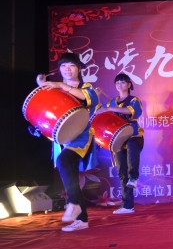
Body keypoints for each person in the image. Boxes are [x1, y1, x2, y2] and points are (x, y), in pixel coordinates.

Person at [36, 52, 99, 232]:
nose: (67, 69)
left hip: (81, 136)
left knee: (63, 161)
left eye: (71, 65)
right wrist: (42, 85)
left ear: (79, 68)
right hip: (64, 138)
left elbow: (91, 99)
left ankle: (73, 204)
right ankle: (81, 219)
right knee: (71, 179)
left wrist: (62, 85)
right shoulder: (57, 89)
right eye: (63, 66)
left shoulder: (86, 87)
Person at [94, 73, 144, 214]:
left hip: (134, 136)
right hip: (118, 140)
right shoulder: (112, 102)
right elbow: (99, 112)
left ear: (129, 85)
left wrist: (110, 109)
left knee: (131, 145)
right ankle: (127, 205)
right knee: (122, 172)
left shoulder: (134, 100)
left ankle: (134, 176)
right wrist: (98, 96)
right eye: (117, 83)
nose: (120, 85)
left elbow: (130, 111)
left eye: (123, 82)